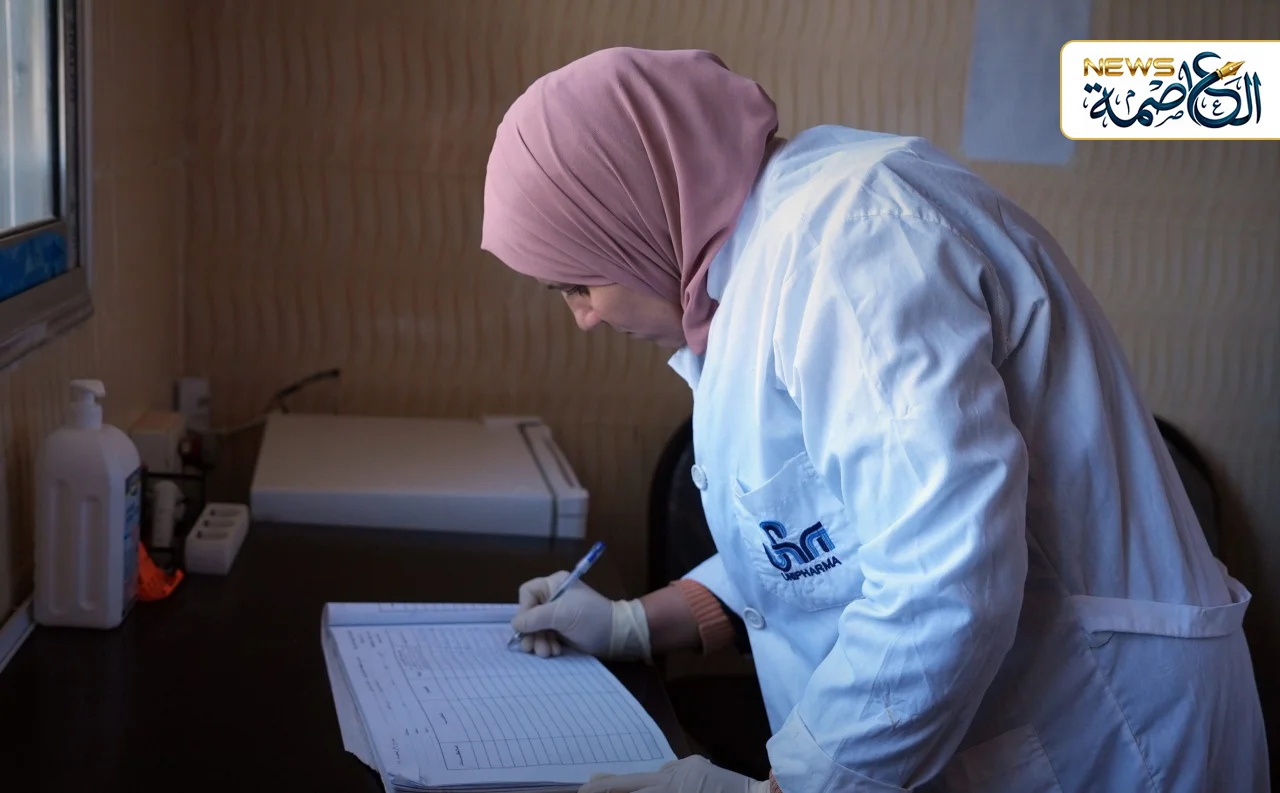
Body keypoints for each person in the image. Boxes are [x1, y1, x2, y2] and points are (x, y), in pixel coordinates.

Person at [479, 47, 1269, 793]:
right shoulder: (750, 275)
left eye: (578, 285)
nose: (585, 317)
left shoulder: (849, 244)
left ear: (630, 215)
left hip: (1107, 729)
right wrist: (636, 623)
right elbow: (824, 534)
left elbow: (943, 580)